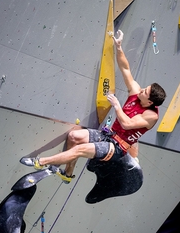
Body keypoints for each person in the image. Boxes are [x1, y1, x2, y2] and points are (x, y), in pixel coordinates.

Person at [20, 30, 166, 182]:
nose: (141, 90)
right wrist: (119, 47)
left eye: (145, 92)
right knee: (74, 137)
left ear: (149, 102)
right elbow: (125, 69)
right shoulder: (136, 92)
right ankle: (67, 174)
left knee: (79, 150)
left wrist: (116, 105)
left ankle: (39, 162)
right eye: (144, 88)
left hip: (117, 147)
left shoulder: (151, 116)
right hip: (108, 135)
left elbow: (127, 124)